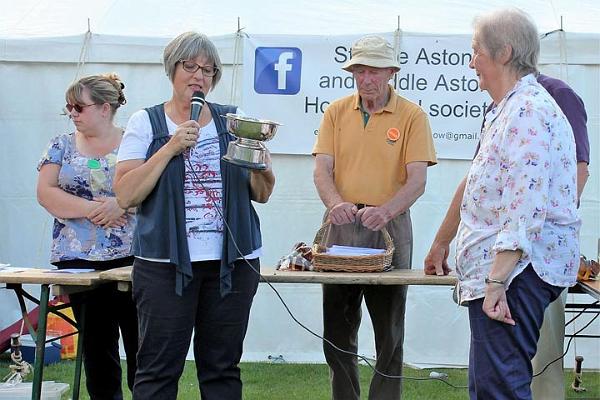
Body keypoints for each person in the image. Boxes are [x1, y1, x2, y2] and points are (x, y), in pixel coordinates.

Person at [424, 33, 590, 400]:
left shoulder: (528, 109)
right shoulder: (509, 107)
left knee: (503, 386)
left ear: (505, 52)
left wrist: (498, 279)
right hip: (511, 269)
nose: (470, 63)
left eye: (475, 53)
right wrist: (443, 240)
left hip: (517, 272)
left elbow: (527, 199)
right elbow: (479, 181)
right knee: (493, 385)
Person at [113, 31, 275, 400]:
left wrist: (263, 164)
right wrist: (170, 147)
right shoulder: (146, 122)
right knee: (157, 368)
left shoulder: (234, 120)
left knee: (222, 369)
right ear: (173, 69)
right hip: (163, 265)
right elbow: (125, 194)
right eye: (190, 66)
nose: (199, 76)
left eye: (207, 69)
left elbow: (263, 194)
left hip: (232, 265)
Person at [312, 35, 437, 400]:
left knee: (390, 332)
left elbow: (418, 180)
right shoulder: (336, 111)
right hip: (341, 225)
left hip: (391, 227)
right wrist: (335, 204)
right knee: (336, 328)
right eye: (359, 70)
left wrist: (386, 211)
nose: (365, 78)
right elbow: (322, 170)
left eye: (373, 71)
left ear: (391, 73)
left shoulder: (412, 115)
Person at [36, 73, 137, 400]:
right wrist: (95, 209)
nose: (72, 113)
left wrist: (121, 204)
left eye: (79, 106)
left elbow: (154, 189)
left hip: (133, 257)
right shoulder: (60, 145)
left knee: (142, 346)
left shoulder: (135, 143)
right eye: (69, 107)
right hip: (79, 262)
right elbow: (45, 194)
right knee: (97, 349)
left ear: (105, 108)